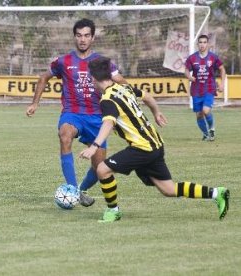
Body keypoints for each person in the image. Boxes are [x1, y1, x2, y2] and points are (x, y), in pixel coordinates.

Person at [79, 56, 229, 223]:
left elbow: (107, 123)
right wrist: (156, 112)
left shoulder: (107, 99)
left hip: (142, 148)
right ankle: (217, 193)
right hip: (155, 145)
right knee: (168, 189)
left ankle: (113, 211)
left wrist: (94, 146)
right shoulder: (123, 88)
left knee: (102, 169)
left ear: (93, 78)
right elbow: (147, 96)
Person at [26, 18, 127, 207]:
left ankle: (80, 191)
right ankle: (72, 189)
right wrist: (35, 104)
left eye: (87, 35)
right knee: (65, 135)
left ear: (93, 38)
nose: (83, 39)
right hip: (72, 113)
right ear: (74, 37)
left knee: (99, 167)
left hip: (97, 117)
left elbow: (122, 82)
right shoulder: (63, 61)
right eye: (79, 35)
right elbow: (43, 77)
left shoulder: (102, 62)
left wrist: (127, 102)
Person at [184, 34, 226, 141]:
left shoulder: (213, 57)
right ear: (197, 44)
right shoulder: (192, 58)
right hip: (196, 90)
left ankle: (211, 129)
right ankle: (206, 134)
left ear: (208, 44)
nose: (202, 44)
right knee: (199, 115)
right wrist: (189, 77)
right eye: (200, 42)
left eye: (204, 42)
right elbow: (186, 70)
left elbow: (222, 69)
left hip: (209, 88)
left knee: (206, 111)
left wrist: (222, 84)